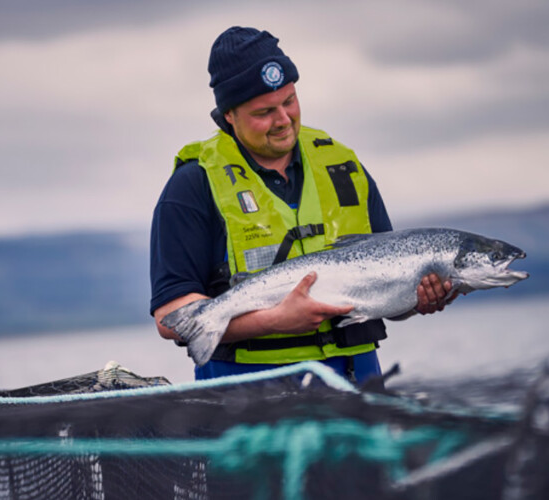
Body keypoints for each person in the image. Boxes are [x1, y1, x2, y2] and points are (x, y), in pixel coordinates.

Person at [150, 26, 454, 384]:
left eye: (289, 101)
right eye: (264, 111)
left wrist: (418, 298)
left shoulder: (343, 166)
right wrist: (274, 321)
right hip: (247, 397)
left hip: (357, 383)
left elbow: (386, 294)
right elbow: (171, 317)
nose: (283, 121)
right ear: (228, 115)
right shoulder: (192, 185)